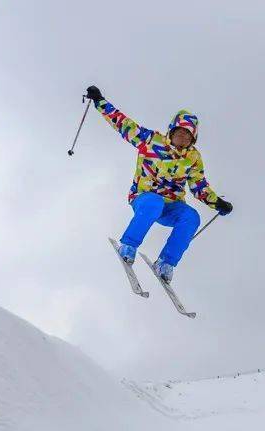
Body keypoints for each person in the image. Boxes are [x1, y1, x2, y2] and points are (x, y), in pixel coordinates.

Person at [85, 85, 233, 283]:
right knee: (154, 202)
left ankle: (166, 262)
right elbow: (123, 124)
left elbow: (199, 186)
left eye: (188, 136)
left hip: (171, 206)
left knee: (191, 217)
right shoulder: (151, 141)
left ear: (193, 139)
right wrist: (99, 101)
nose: (183, 138)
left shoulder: (193, 158)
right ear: (172, 131)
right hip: (145, 198)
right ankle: (128, 245)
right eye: (180, 132)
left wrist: (217, 203)